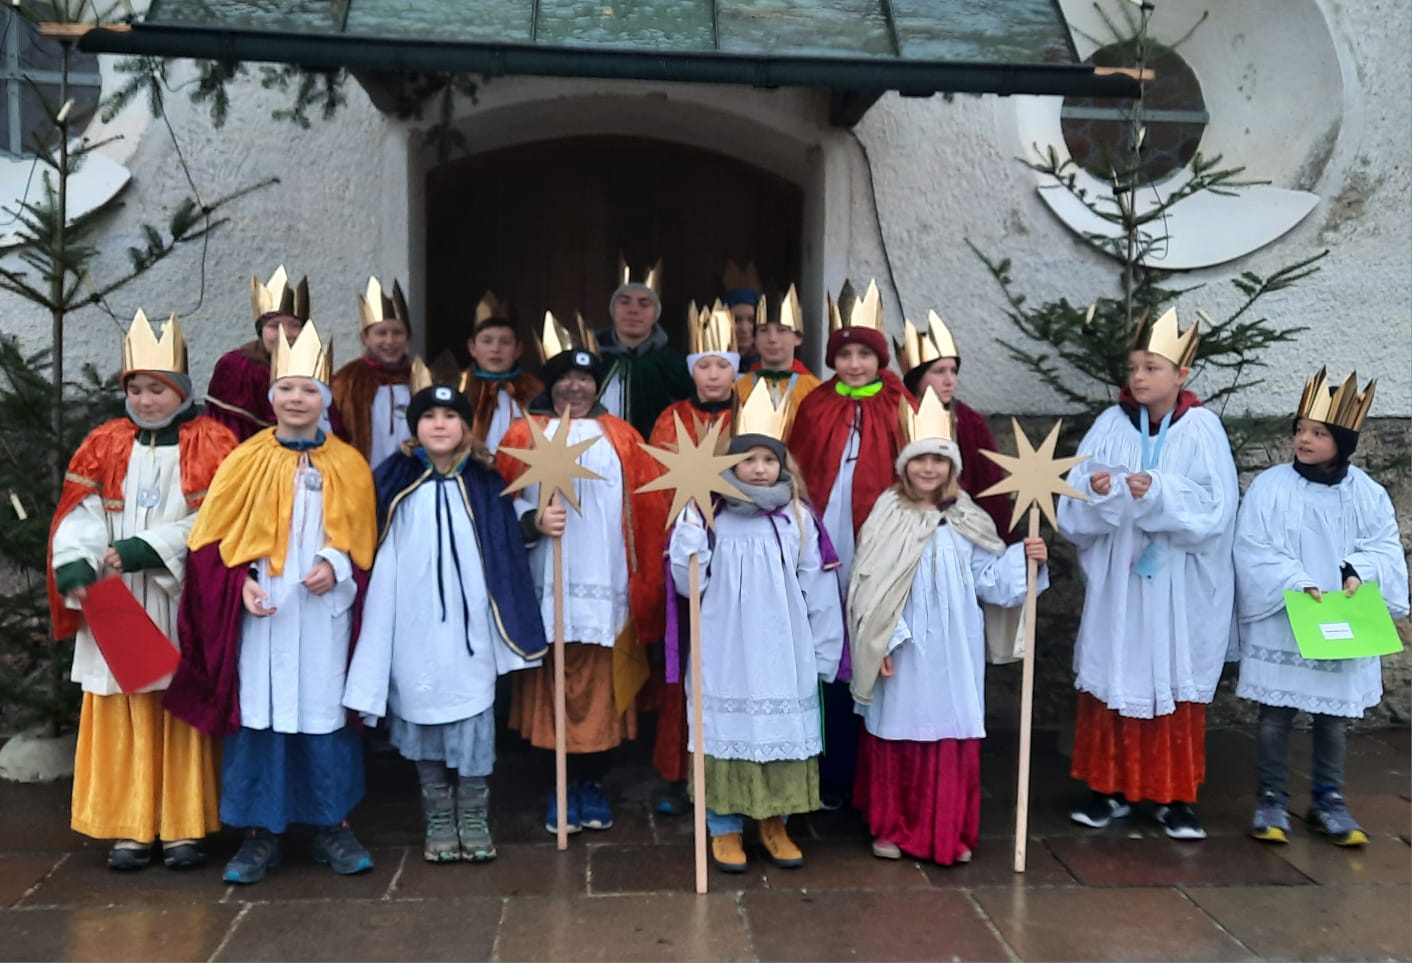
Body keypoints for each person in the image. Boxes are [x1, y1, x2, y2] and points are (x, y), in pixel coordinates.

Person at [163, 320, 379, 884]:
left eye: (308, 389)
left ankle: (333, 825)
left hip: (324, 614)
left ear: (325, 398)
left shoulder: (349, 465)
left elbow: (363, 541)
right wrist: (240, 584)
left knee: (324, 716)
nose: (296, 398)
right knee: (261, 717)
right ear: (271, 395)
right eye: (286, 388)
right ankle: (259, 834)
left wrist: (335, 565)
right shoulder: (244, 460)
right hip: (263, 617)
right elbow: (210, 542)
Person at [47, 310, 237, 870]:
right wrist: (77, 562)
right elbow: (80, 514)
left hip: (177, 598)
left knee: (178, 704)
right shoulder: (103, 444)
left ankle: (183, 827)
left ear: (181, 388)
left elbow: (220, 519)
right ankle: (130, 827)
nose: (147, 400)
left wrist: (150, 547)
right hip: (115, 600)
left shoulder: (213, 443)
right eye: (136, 389)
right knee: (121, 708)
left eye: (158, 389)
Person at [344, 372, 548, 863]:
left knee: (472, 708)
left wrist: (535, 523)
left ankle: (473, 815)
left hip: (469, 622)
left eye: (450, 416)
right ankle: (438, 816)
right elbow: (362, 533)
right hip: (410, 621)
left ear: (466, 426)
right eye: (430, 416)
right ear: (415, 426)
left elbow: (506, 534)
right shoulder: (392, 477)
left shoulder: (484, 479)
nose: (439, 424)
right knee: (420, 709)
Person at [1056, 308, 1238, 841]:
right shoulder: (1111, 424)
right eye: (1133, 367)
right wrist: (1101, 493)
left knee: (1172, 676)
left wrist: (1158, 492)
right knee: (1114, 671)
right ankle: (1107, 790)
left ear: (1182, 375)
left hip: (1176, 582)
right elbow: (1074, 503)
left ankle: (1175, 798)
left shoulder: (1202, 429)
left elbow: (1216, 510)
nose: (1138, 377)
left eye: (1151, 367)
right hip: (1121, 578)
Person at [848, 389, 1048, 865]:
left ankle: (947, 830)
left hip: (956, 648)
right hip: (906, 648)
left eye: (939, 460)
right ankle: (895, 827)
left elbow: (989, 581)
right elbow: (868, 586)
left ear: (952, 466)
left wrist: (1027, 562)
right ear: (905, 466)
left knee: (950, 732)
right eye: (920, 460)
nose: (929, 469)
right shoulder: (887, 513)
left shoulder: (967, 517)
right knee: (900, 732)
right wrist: (883, 643)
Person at [495, 313, 667, 835]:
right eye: (565, 379)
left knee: (601, 686)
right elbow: (497, 506)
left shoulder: (624, 438)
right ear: (550, 385)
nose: (575, 387)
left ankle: (592, 782)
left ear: (598, 386)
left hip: (606, 580)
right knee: (550, 683)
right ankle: (558, 785)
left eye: (586, 379)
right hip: (546, 579)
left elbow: (648, 509)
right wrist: (531, 523)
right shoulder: (524, 434)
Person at [666, 386, 844, 872]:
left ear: (784, 466)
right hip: (725, 644)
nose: (760, 468)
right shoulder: (709, 514)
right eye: (749, 459)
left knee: (781, 728)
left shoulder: (798, 519)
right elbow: (688, 585)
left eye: (769, 459)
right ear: (731, 463)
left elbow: (818, 586)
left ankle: (775, 822)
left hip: (783, 646)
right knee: (725, 728)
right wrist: (689, 537)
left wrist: (826, 650)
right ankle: (723, 825)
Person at [1235, 369, 1408, 846]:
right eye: (1300, 429)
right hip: (1284, 617)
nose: (1304, 440)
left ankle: (1328, 801)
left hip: (1341, 619)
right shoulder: (1271, 487)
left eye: (1318, 433)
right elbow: (1252, 546)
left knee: (1332, 718)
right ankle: (1271, 800)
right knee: (1275, 715)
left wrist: (1358, 571)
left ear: (1342, 441)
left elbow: (1384, 547)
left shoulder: (1366, 494)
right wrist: (1296, 579)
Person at [788, 278, 913, 810]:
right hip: (825, 539)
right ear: (832, 359)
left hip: (878, 543)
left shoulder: (899, 402)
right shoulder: (815, 404)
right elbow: (797, 468)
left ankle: (870, 773)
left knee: (873, 643)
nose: (855, 364)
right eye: (845, 355)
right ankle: (827, 766)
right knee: (826, 648)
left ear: (879, 357)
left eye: (864, 354)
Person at [644, 301, 740, 816]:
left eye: (723, 364)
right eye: (705, 365)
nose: (714, 374)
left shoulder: (750, 414)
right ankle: (679, 769)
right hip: (688, 553)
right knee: (686, 663)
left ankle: (727, 770)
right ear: (692, 371)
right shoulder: (672, 419)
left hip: (741, 553)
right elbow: (657, 487)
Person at [896, 312, 1012, 539]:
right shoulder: (894, 416)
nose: (949, 380)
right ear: (917, 377)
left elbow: (989, 487)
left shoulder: (970, 422)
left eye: (953, 371)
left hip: (961, 528)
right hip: (906, 525)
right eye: (939, 371)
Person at [204, 266, 311, 442]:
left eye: (294, 325)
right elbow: (227, 437)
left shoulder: (312, 368)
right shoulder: (238, 368)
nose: (286, 334)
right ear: (261, 331)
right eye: (274, 326)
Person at [593, 257, 694, 439]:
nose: (633, 310)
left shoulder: (675, 366)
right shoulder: (593, 359)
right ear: (613, 309)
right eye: (624, 302)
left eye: (644, 303)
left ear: (656, 313)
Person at [330, 276, 414, 466]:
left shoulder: (419, 379)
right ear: (365, 337)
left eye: (397, 333)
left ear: (408, 337)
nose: (390, 341)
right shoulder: (346, 381)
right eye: (381, 333)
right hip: (361, 475)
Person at [457, 292, 543, 453]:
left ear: (518, 349)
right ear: (472, 348)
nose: (496, 349)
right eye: (487, 341)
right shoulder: (459, 388)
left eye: (505, 342)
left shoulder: (535, 391)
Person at [735, 285, 821, 436]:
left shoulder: (814, 391)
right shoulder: (738, 389)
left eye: (782, 330)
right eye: (764, 330)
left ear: (798, 337)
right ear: (755, 338)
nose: (772, 339)